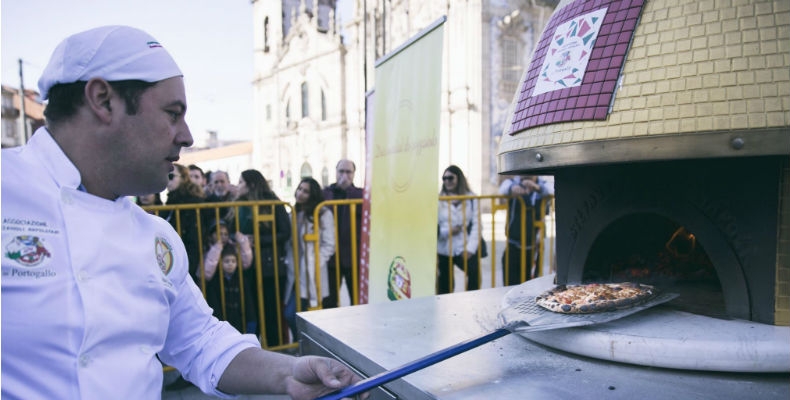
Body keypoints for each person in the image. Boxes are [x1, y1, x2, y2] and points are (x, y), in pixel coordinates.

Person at [0, 25, 364, 399]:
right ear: (103, 101)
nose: (187, 136)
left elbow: (202, 342)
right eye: (173, 114)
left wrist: (289, 373)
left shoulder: (155, 237)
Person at [236, 169, 292, 347]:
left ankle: (276, 349)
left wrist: (257, 240)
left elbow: (285, 232)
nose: (238, 186)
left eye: (241, 182)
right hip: (247, 266)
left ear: (251, 184)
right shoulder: (238, 204)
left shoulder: (272, 201)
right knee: (252, 314)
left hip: (270, 267)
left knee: (271, 312)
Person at [284, 177, 335, 338]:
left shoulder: (323, 213)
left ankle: (307, 344)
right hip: (295, 270)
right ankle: (302, 343)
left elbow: (329, 244)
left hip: (312, 272)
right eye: (299, 189)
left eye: (305, 191)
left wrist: (315, 262)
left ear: (313, 195)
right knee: (291, 313)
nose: (300, 193)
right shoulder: (293, 213)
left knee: (305, 313)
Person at [322, 159, 364, 307]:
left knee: (357, 300)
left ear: (354, 174)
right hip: (331, 257)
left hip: (353, 256)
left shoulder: (359, 193)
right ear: (335, 172)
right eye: (341, 171)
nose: (344, 175)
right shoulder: (326, 193)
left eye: (348, 172)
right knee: (330, 301)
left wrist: (348, 190)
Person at [499, 175, 553, 285]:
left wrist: (537, 188)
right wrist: (512, 189)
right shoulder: (512, 182)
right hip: (514, 243)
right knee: (511, 283)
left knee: (532, 284)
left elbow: (552, 190)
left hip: (535, 245)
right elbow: (502, 189)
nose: (526, 175)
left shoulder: (543, 184)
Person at [202, 219, 255, 332]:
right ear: (211, 236)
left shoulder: (234, 247)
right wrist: (217, 248)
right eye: (219, 234)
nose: (223, 237)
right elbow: (207, 273)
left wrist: (243, 242)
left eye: (225, 234)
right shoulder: (209, 249)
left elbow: (246, 262)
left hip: (234, 288)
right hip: (218, 289)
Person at [436, 165, 481, 294]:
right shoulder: (439, 199)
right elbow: (435, 226)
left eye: (450, 178)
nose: (447, 181)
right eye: (444, 178)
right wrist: (448, 231)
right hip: (444, 247)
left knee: (474, 275)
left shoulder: (471, 198)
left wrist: (470, 248)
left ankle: (472, 301)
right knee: (445, 286)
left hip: (464, 245)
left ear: (459, 178)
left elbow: (477, 224)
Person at [165, 163, 205, 281]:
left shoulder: (191, 202)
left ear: (183, 178)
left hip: (187, 258)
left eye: (171, 176)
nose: (167, 180)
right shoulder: (170, 201)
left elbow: (194, 239)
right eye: (165, 176)